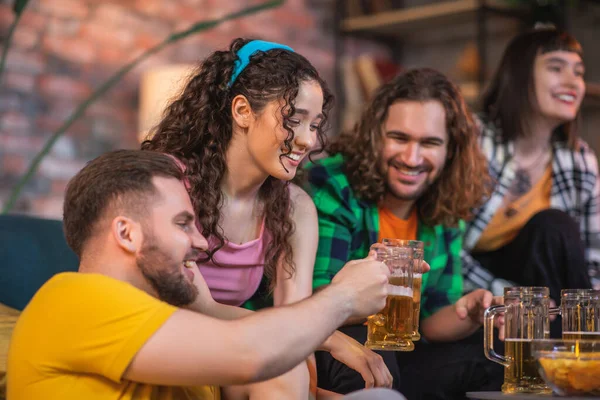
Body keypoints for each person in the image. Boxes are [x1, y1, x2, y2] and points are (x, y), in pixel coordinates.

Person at [6, 149, 406, 400]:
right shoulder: (73, 300)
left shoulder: (175, 340)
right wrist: (344, 297)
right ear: (126, 233)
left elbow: (267, 365)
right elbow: (253, 353)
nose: (202, 242)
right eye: (183, 224)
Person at [142, 38, 393, 397]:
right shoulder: (171, 184)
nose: (307, 141)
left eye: (315, 125)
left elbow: (294, 330)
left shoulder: (295, 207)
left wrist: (309, 389)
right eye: (294, 120)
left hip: (233, 356)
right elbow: (198, 306)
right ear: (242, 110)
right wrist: (330, 337)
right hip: (167, 345)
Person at [301, 68, 504, 399]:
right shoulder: (334, 183)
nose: (412, 158)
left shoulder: (447, 203)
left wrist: (470, 311)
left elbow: (431, 322)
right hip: (333, 340)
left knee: (496, 359)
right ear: (375, 135)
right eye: (399, 138)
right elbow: (315, 300)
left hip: (406, 353)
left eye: (429, 143)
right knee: (376, 349)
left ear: (450, 150)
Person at [461, 27, 599, 305]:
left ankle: (580, 339)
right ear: (520, 76)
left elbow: (592, 263)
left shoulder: (579, 160)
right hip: (472, 287)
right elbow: (441, 245)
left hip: (544, 289)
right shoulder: (472, 140)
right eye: (556, 68)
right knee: (553, 226)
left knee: (554, 227)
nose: (573, 83)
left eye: (579, 72)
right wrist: (512, 297)